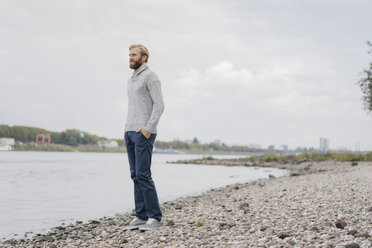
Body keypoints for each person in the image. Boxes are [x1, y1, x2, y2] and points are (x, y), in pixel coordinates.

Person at [124, 44, 165, 231]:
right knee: (135, 175)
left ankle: (154, 217)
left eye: (134, 55)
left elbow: (159, 105)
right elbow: (133, 107)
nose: (130, 57)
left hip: (144, 133)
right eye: (130, 54)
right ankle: (141, 215)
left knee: (143, 174)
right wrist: (126, 128)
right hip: (130, 132)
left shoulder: (151, 76)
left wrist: (149, 129)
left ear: (144, 57)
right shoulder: (131, 80)